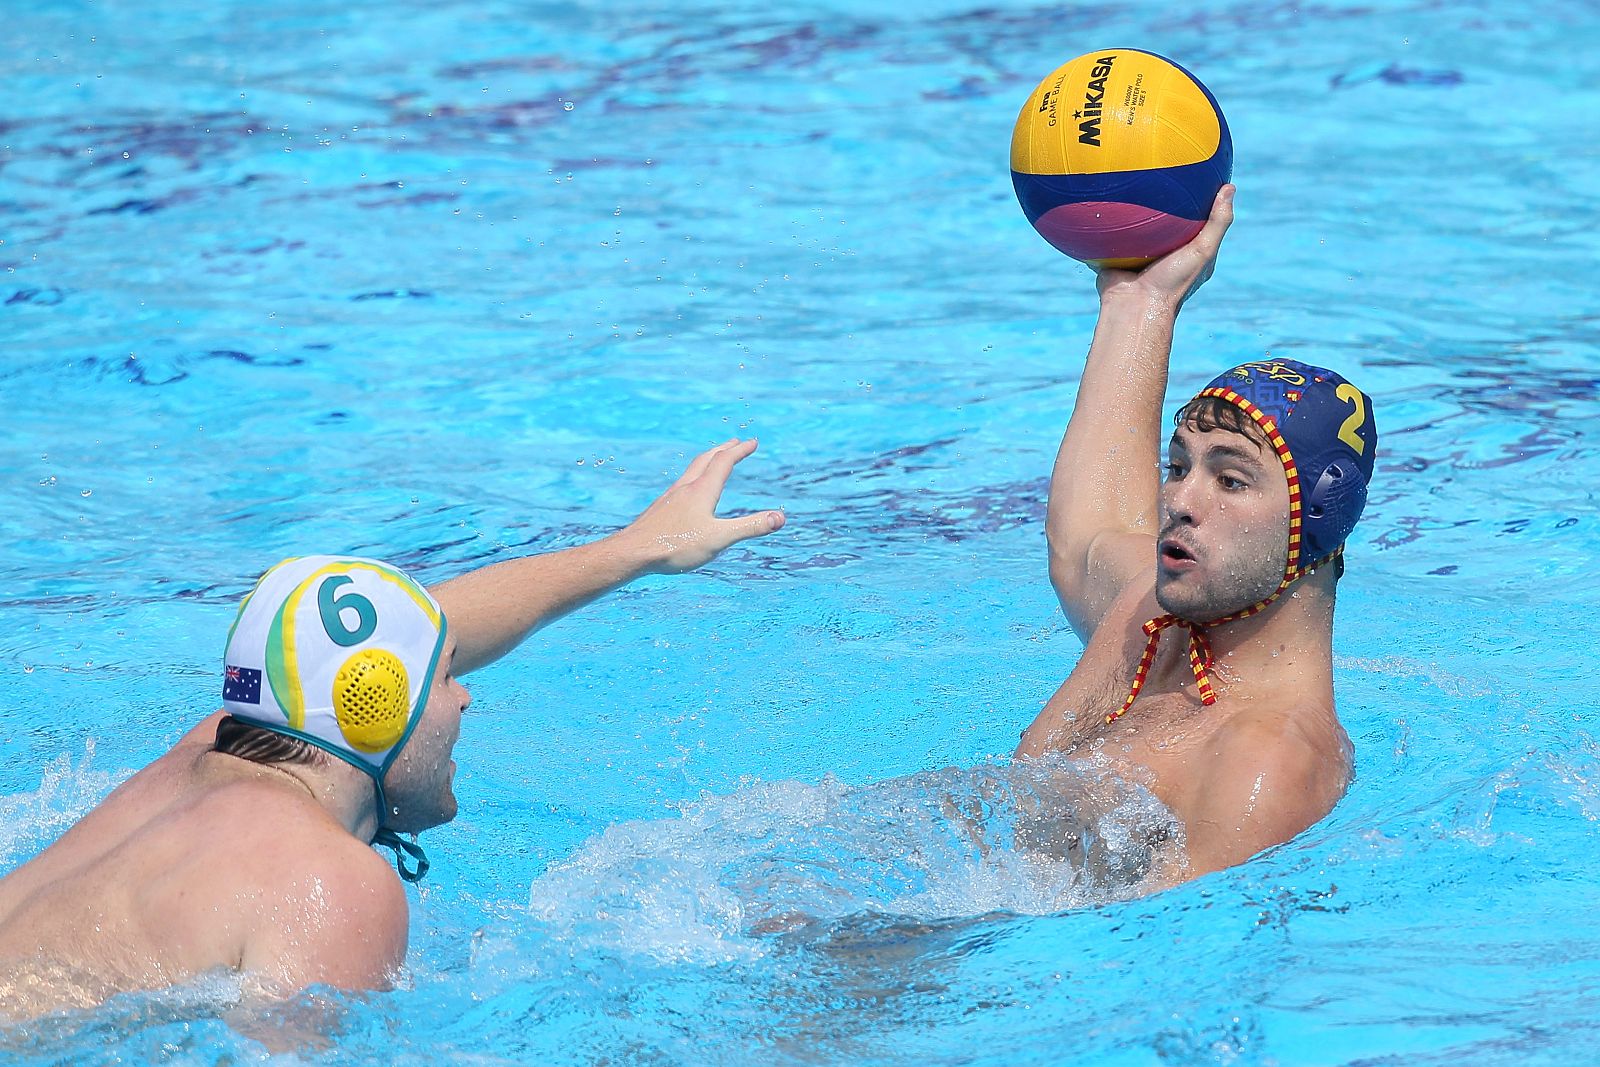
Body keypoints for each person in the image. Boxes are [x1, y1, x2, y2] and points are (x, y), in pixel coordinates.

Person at [0, 439, 784, 1017]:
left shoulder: (211, 745)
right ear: (374, 707)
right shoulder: (331, 883)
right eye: (448, 677)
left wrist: (635, 552)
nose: (466, 697)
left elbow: (417, 632)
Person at [1016, 185, 1379, 883]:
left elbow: (1144, 964)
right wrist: (1141, 303)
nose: (1179, 499)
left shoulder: (1269, 763)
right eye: (1177, 465)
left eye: (1230, 480)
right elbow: (1084, 541)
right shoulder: (1161, 617)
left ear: (1319, 514)